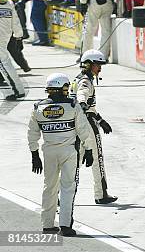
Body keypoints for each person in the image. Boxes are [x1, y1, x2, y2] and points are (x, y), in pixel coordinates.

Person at [27, 73, 94, 236]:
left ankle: (47, 225)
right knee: (67, 187)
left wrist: (34, 155)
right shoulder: (73, 105)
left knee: (49, 187)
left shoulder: (38, 107)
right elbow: (83, 129)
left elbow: (32, 133)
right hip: (69, 152)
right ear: (63, 88)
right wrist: (90, 149)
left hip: (48, 152)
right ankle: (65, 225)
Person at [70, 49, 117, 204]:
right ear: (89, 65)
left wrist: (101, 119)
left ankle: (61, 195)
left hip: (78, 124)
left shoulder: (78, 79)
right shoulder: (85, 81)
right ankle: (101, 194)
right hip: (87, 125)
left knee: (75, 161)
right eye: (98, 65)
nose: (100, 68)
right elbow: (82, 96)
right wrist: (83, 105)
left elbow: (87, 105)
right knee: (97, 159)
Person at [0, 0, 25, 100]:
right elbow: (15, 21)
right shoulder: (7, 1)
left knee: (4, 63)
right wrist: (19, 36)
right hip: (5, 35)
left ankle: (18, 90)